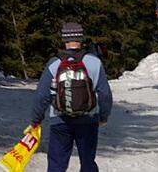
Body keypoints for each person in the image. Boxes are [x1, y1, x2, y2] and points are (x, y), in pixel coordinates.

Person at [30, 22, 113, 172]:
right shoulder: (94, 62)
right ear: (81, 39)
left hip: (59, 120)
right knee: (88, 161)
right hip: (88, 119)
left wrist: (36, 119)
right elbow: (105, 94)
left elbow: (41, 95)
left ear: (64, 40)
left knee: (57, 164)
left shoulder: (54, 63)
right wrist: (103, 116)